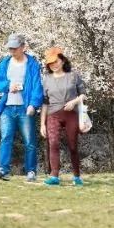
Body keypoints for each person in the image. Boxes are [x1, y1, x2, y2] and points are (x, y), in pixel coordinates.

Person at [0, 34, 44, 182]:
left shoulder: (32, 64)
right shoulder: (5, 63)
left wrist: (33, 104)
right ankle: (3, 169)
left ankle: (31, 171)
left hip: (25, 107)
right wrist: (8, 86)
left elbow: (37, 86)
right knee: (5, 138)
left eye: (14, 48)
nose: (12, 50)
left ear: (22, 47)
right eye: (10, 48)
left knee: (29, 141)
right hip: (7, 107)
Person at [38, 46, 86, 187]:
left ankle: (77, 176)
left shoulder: (73, 76)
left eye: (56, 61)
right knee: (53, 143)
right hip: (53, 115)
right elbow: (45, 103)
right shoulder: (46, 79)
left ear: (63, 60)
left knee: (72, 146)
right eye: (50, 63)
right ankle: (54, 176)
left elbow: (83, 94)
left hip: (71, 114)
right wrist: (42, 124)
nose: (54, 65)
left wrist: (74, 101)